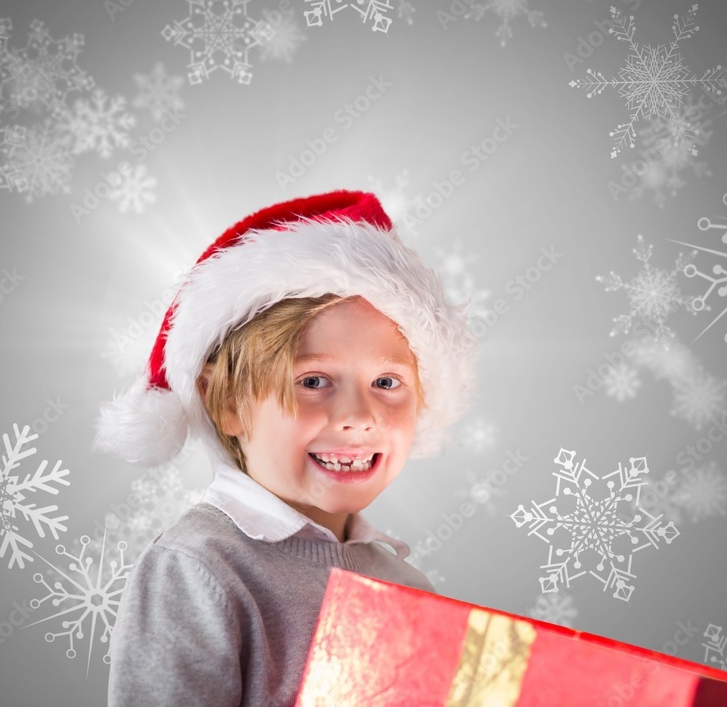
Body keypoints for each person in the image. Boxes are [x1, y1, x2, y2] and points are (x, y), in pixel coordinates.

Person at [93, 189, 478, 706]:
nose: (359, 418)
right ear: (225, 402)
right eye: (314, 381)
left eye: (387, 383)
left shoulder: (407, 585)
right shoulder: (198, 568)